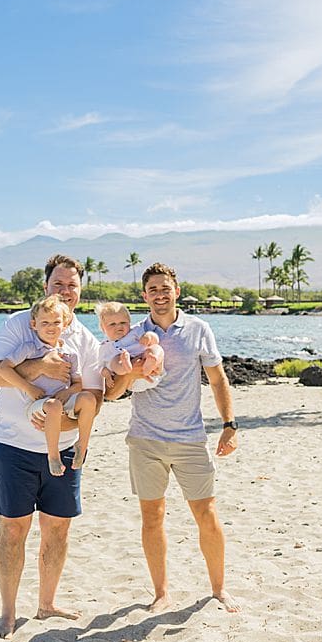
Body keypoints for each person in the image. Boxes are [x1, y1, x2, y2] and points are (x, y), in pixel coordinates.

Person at [106, 262, 240, 614]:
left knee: (206, 513)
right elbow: (112, 393)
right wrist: (130, 373)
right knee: (152, 517)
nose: (160, 295)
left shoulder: (198, 329)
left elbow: (217, 378)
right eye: (153, 290)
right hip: (145, 440)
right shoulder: (133, 335)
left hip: (190, 438)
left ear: (176, 291)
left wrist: (229, 424)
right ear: (144, 296)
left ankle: (219, 590)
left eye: (165, 288)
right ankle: (161, 593)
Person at [0, 255, 103, 638]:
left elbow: (93, 396)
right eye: (58, 284)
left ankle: (47, 604)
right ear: (46, 287)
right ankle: (8, 612)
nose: (65, 291)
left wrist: (61, 422)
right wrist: (38, 370)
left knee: (57, 531)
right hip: (13, 446)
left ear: (80, 291)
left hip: (64, 448)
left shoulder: (84, 339)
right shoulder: (21, 324)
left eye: (72, 285)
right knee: (13, 530)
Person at [0, 294, 98, 474]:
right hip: (37, 405)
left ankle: (82, 446)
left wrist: (67, 393)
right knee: (53, 406)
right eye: (45, 323)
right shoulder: (29, 348)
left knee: (89, 399)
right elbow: (3, 369)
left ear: (65, 324)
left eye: (56, 322)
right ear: (34, 324)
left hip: (62, 401)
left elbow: (77, 384)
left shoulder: (70, 353)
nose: (51, 327)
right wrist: (28, 388)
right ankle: (53, 456)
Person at [95, 301, 165, 391]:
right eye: (112, 324)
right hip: (132, 381)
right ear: (102, 327)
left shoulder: (135, 332)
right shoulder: (104, 347)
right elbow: (101, 367)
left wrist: (149, 336)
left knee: (156, 348)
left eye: (123, 322)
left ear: (129, 323)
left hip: (152, 371)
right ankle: (125, 366)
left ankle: (153, 360)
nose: (119, 326)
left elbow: (155, 340)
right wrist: (108, 376)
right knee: (114, 361)